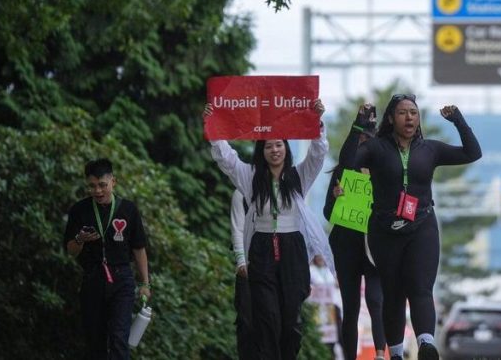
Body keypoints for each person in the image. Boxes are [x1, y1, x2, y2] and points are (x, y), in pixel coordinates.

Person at [346, 94, 481, 360]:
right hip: (384, 230)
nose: (409, 117)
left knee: (420, 287)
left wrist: (458, 121)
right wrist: (358, 124)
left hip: (422, 226)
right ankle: (396, 353)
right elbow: (348, 161)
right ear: (390, 118)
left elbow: (472, 152)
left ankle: (426, 345)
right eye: (402, 113)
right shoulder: (376, 149)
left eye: (413, 113)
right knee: (393, 292)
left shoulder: (430, 149)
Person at [205, 98, 335, 360]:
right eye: (268, 146)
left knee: (290, 324)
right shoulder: (251, 177)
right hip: (262, 251)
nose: (274, 150)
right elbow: (227, 159)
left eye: (279, 145)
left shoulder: (299, 176)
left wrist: (317, 121)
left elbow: (317, 154)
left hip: (292, 251)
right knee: (267, 320)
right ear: (261, 151)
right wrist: (213, 126)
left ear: (286, 148)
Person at [63, 158, 151, 360]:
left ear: (113, 182)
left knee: (119, 338)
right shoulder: (80, 210)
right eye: (92, 186)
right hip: (93, 278)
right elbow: (71, 250)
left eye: (102, 185)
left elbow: (139, 248)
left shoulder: (128, 209)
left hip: (122, 280)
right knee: (95, 341)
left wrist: (145, 283)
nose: (97, 191)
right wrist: (80, 239)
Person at [323, 103, 387, 360]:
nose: (362, 149)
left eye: (366, 144)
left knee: (376, 301)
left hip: (375, 247)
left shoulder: (383, 174)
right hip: (346, 247)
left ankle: (381, 354)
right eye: (358, 143)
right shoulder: (342, 173)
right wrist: (336, 197)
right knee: (350, 308)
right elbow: (328, 212)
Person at [230, 189, 254, 360]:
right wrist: (241, 262)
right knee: (247, 324)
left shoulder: (282, 189)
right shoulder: (241, 193)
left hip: (275, 269)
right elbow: (237, 229)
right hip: (248, 270)